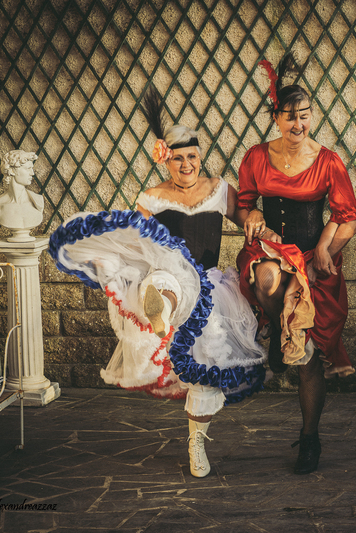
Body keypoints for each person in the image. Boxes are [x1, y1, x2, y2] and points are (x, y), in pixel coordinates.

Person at [48, 89, 267, 478]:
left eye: (192, 157)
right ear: (167, 159)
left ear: (201, 157)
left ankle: (197, 442)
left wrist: (258, 223)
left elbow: (246, 217)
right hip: (167, 274)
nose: (186, 164)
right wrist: (108, 259)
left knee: (205, 364)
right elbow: (134, 241)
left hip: (211, 288)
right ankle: (160, 311)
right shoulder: (152, 197)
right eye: (179, 158)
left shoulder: (219, 190)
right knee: (166, 277)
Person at [235, 53, 356, 475]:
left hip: (309, 261)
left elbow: (348, 216)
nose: (298, 125)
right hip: (271, 251)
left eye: (304, 116)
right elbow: (244, 205)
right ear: (276, 118)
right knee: (268, 279)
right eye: (289, 118)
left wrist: (327, 245)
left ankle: (310, 437)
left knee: (307, 358)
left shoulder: (328, 161)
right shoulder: (255, 156)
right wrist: (250, 216)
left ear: (312, 115)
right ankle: (276, 333)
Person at [0, 150, 44, 238]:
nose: (32, 173)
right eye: (28, 169)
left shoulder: (38, 201)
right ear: (12, 171)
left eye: (32, 168)